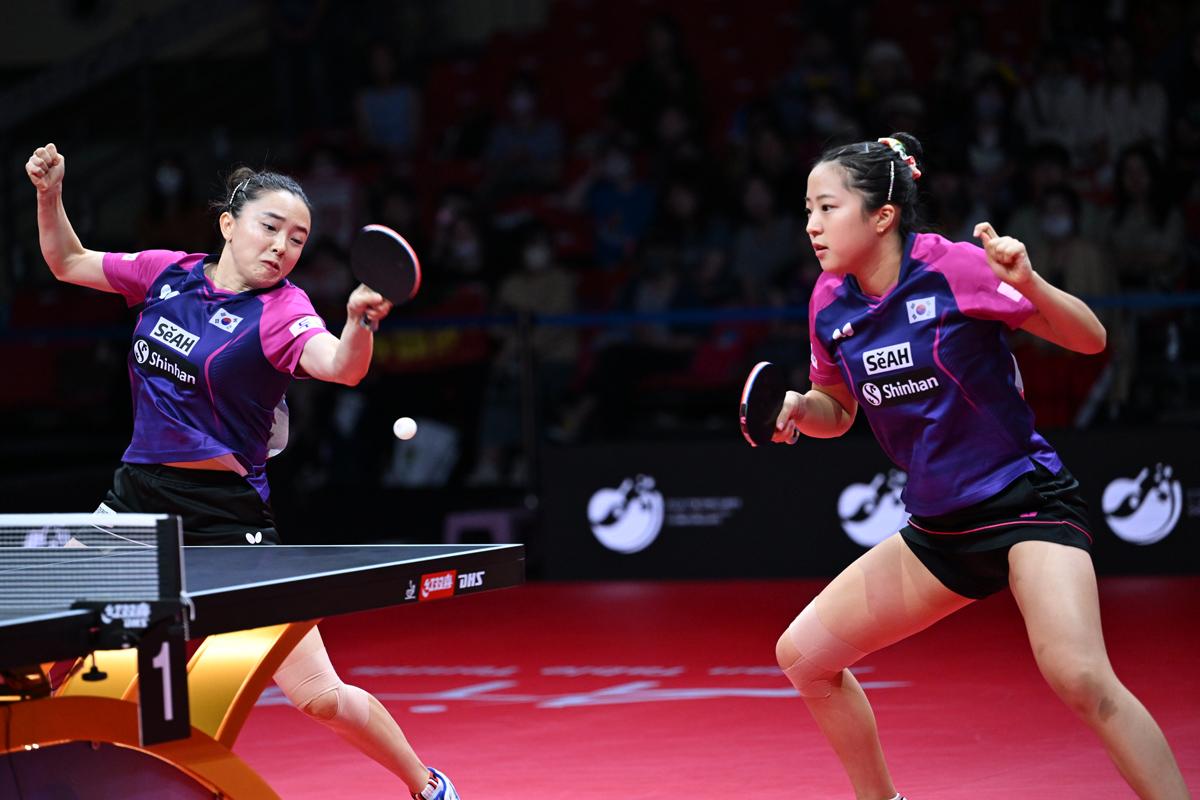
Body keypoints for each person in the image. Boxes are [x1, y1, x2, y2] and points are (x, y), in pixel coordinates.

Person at [25, 143, 460, 800]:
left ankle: (428, 786)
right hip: (137, 502)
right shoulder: (166, 274)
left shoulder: (284, 310)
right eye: (270, 227)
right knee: (31, 622)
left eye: (298, 239)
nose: (283, 247)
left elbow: (341, 367)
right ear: (228, 223)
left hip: (226, 518)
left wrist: (358, 322)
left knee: (319, 696)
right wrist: (49, 193)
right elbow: (67, 261)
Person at [771, 133, 1189, 799]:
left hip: (1026, 503)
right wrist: (799, 409)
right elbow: (838, 410)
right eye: (808, 211)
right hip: (939, 528)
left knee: (1079, 674)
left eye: (827, 208)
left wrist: (1028, 282)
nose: (812, 226)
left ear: (882, 216)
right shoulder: (830, 301)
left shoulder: (955, 268)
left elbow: (1092, 339)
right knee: (802, 657)